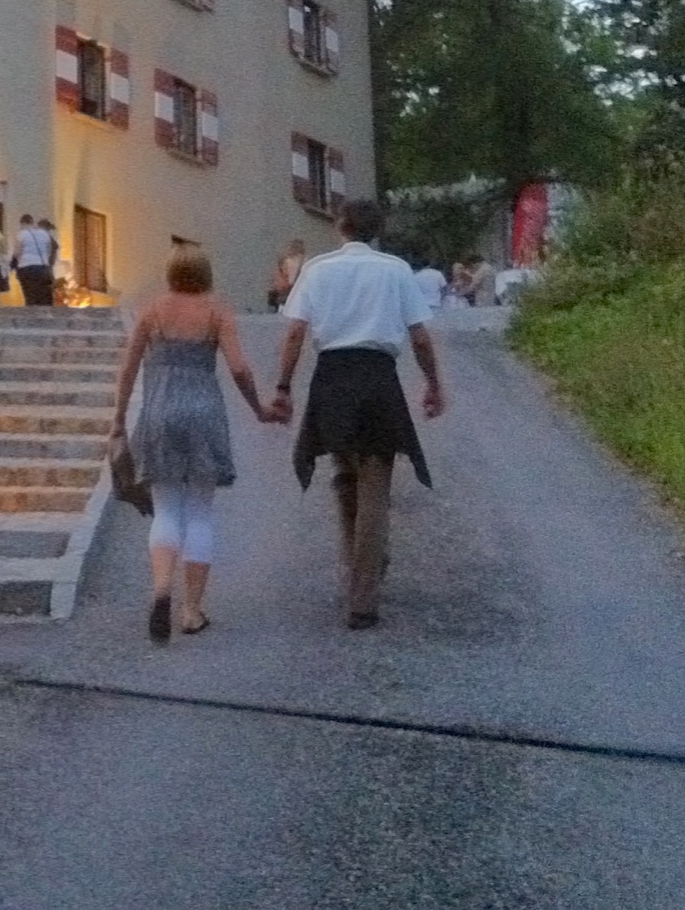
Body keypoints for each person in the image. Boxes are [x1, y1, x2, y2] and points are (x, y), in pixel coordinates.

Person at [272, 198, 448, 630]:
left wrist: (283, 387)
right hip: (377, 376)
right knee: (375, 483)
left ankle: (358, 570)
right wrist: (433, 384)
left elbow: (295, 333)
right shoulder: (395, 270)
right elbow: (419, 337)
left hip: (332, 377)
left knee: (344, 474)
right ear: (377, 230)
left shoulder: (318, 269)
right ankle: (363, 594)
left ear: (340, 226)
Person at [109, 246, 278, 642]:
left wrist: (118, 421)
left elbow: (128, 368)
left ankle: (161, 591)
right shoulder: (218, 311)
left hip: (159, 414)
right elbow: (238, 368)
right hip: (204, 415)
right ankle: (190, 610)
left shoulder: (152, 311)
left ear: (170, 273)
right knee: (200, 513)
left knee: (167, 510)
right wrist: (258, 408)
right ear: (206, 274)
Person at [13, 215, 56, 306]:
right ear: (32, 223)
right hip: (42, 268)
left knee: (30, 296)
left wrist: (19, 261)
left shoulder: (21, 234)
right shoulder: (44, 234)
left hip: (26, 268)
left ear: (22, 223)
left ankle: (32, 312)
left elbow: (17, 253)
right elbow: (48, 251)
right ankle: (44, 313)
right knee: (43, 296)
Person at [268, 237, 307, 310]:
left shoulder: (289, 260)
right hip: (295, 292)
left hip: (285, 291)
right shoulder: (305, 260)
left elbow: (291, 280)